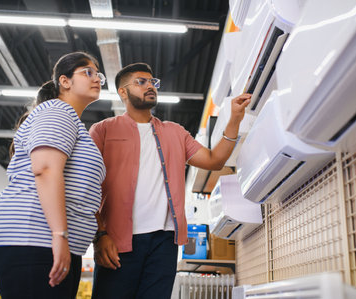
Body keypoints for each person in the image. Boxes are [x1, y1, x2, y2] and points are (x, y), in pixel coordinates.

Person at [89, 62, 251, 299]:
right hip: (117, 239)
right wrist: (99, 235)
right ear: (122, 92)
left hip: (164, 242)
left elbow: (214, 160)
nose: (150, 86)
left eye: (153, 82)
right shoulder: (103, 130)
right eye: (141, 82)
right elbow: (87, 186)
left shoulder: (175, 132)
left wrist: (234, 119)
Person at [0, 51, 107, 299]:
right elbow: (45, 169)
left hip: (48, 240)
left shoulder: (69, 119)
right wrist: (59, 235)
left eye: (99, 74)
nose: (97, 78)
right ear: (64, 81)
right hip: (35, 237)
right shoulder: (57, 110)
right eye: (88, 72)